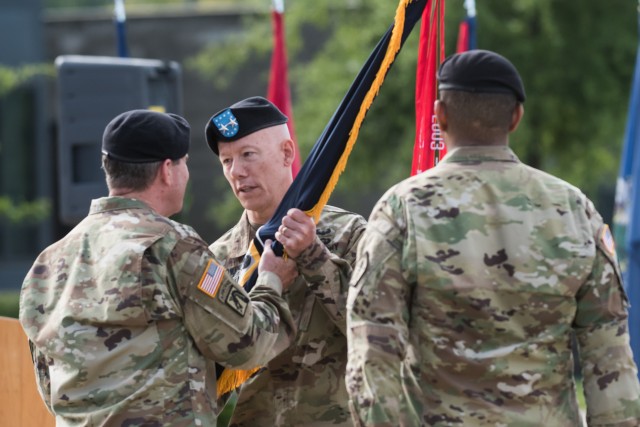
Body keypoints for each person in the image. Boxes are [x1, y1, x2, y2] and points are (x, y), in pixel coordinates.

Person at [346, 49, 640, 426]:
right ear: (516, 117)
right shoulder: (575, 210)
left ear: (439, 115)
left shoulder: (402, 210)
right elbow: (609, 356)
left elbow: (372, 354)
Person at [19, 109, 299, 426]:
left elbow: (48, 384)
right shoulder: (171, 247)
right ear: (168, 171)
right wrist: (272, 280)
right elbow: (249, 344)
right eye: (185, 164)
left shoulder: (48, 262)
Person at [204, 96, 367, 426]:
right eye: (226, 161)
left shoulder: (348, 233)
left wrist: (314, 257)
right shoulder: (218, 259)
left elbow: (374, 329)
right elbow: (208, 376)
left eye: (248, 155)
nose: (237, 172)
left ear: (287, 154)